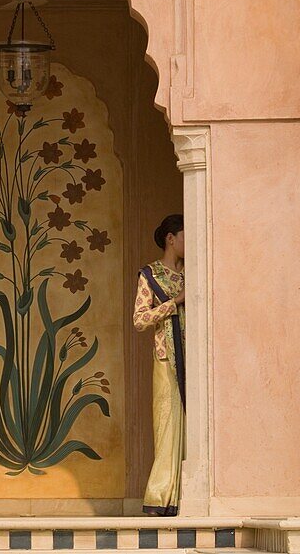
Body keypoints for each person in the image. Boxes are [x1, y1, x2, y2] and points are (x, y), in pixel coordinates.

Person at [133, 213, 185, 517]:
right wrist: (173, 303)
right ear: (171, 238)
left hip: (193, 357)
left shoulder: (193, 272)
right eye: (185, 237)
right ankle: (159, 496)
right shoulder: (150, 274)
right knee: (167, 423)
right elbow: (139, 319)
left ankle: (183, 495)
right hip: (167, 357)